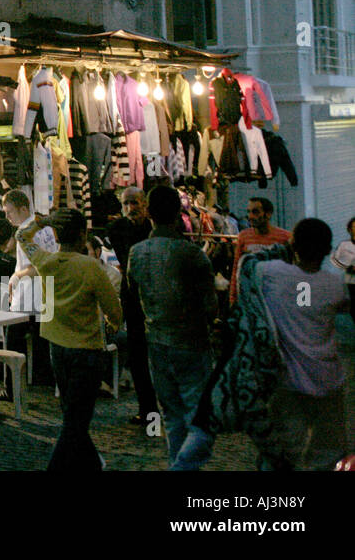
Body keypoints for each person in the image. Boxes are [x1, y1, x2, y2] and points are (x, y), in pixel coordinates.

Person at [16, 209, 123, 470]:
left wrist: (40, 223)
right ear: (83, 234)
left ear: (55, 234)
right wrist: (111, 326)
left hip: (56, 348)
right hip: (86, 350)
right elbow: (115, 310)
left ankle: (93, 466)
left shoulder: (45, 261)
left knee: (72, 415)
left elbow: (21, 235)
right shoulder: (90, 267)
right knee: (76, 420)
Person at [126, 185, 218, 470]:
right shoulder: (192, 254)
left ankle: (177, 463)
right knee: (201, 417)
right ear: (179, 214)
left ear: (149, 213)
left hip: (157, 342)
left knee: (173, 416)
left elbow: (132, 291)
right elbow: (210, 307)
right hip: (192, 343)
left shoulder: (137, 253)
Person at [258, 218, 350, 469]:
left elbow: (249, 264)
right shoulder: (334, 286)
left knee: (282, 450)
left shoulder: (270, 274)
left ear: (293, 245)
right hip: (327, 380)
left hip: (287, 381)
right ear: (327, 249)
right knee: (329, 452)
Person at [107, 186, 160, 426]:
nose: (131, 208)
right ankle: (148, 412)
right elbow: (128, 257)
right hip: (133, 299)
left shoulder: (154, 229)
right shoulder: (118, 229)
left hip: (156, 298)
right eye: (126, 204)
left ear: (144, 204)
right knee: (138, 357)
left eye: (135, 203)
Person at [230, 197, 291, 304]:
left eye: (255, 212)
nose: (250, 216)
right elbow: (236, 269)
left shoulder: (284, 237)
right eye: (249, 212)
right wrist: (233, 299)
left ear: (268, 214)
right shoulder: (244, 236)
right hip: (251, 296)